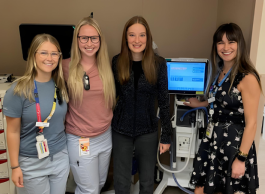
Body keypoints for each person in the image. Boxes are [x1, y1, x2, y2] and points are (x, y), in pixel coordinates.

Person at [185, 23, 260, 194]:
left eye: (231, 42)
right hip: (212, 141)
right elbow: (219, 99)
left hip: (233, 146)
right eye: (221, 42)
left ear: (239, 44)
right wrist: (200, 103)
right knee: (201, 189)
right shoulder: (219, 72)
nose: (226, 47)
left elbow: (252, 124)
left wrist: (241, 158)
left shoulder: (247, 77)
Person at [111, 16, 171, 194]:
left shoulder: (158, 64)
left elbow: (164, 100)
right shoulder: (117, 61)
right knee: (121, 182)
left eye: (142, 35)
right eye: (132, 35)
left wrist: (166, 135)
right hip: (121, 130)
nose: (137, 40)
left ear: (148, 38)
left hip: (148, 130)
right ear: (125, 38)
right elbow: (111, 96)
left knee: (146, 181)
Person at [3, 34, 69, 194]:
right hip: (31, 162)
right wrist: (15, 166)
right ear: (33, 55)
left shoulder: (60, 85)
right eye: (44, 52)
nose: (50, 58)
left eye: (55, 53)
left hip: (59, 157)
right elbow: (12, 131)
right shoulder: (18, 90)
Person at [62, 16, 115, 194]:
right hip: (81, 139)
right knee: (89, 190)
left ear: (100, 40)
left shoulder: (107, 67)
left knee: (99, 185)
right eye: (84, 38)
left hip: (105, 137)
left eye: (94, 38)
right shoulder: (64, 67)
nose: (89, 43)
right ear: (77, 40)